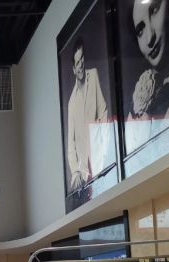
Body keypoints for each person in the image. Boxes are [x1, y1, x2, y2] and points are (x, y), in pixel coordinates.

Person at [66, 36, 109, 195]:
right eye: (77, 62)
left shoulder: (94, 75)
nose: (81, 65)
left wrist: (106, 150)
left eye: (82, 58)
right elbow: (71, 144)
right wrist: (75, 172)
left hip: (101, 159)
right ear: (73, 68)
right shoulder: (71, 102)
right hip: (85, 172)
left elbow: (103, 112)